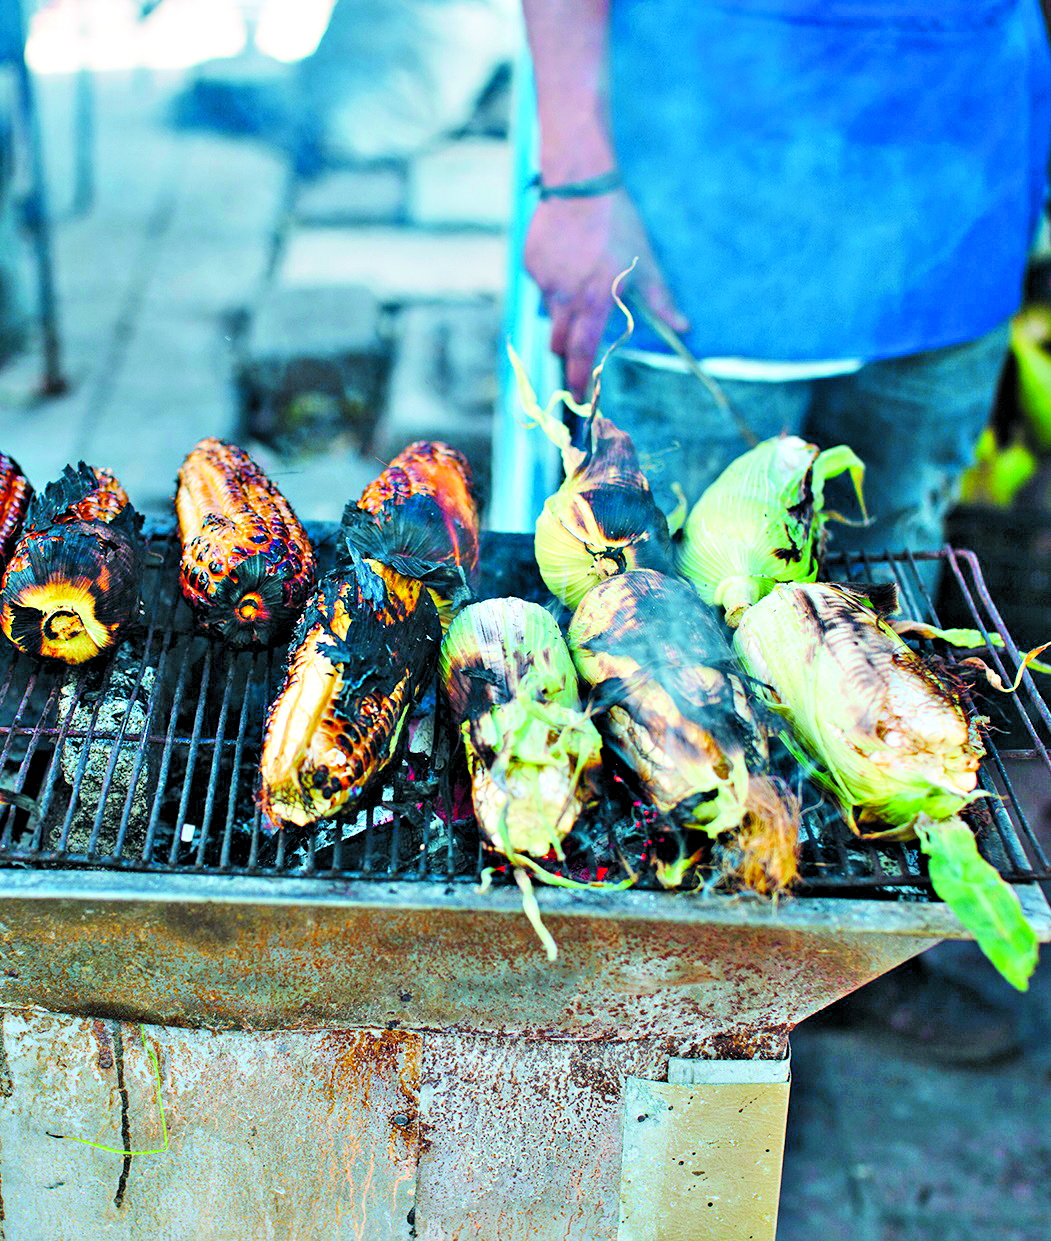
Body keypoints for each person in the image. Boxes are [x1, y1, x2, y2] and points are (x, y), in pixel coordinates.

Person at [520, 0, 1051, 1062]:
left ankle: (840, 958)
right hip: (702, 206)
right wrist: (578, 175)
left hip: (958, 201)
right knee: (651, 613)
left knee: (887, 574)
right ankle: (653, 990)